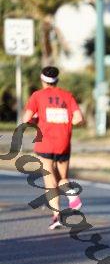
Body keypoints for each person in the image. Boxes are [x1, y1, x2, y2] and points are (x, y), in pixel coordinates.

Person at [22, 66, 84, 230]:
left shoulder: (37, 96)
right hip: (64, 142)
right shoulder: (67, 96)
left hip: (45, 143)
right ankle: (72, 197)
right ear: (57, 80)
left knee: (50, 180)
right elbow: (78, 119)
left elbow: (26, 119)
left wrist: (37, 120)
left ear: (42, 80)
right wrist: (63, 121)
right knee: (62, 177)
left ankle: (56, 216)